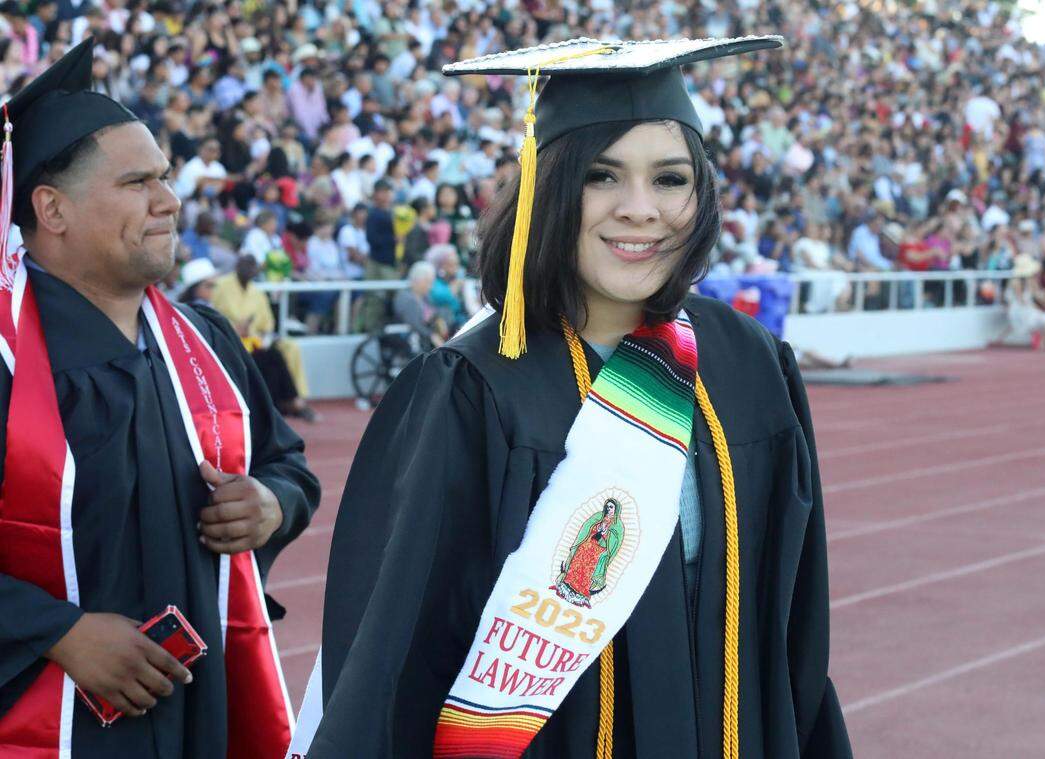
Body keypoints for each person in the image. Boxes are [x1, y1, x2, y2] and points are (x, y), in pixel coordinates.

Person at [301, 37, 850, 759]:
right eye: (601, 176)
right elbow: (394, 657)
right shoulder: (475, 386)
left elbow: (796, 633)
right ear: (550, 188)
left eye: (670, 179)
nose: (639, 209)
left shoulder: (750, 365)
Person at [0, 40, 320, 757]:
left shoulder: (203, 343)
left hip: (209, 711)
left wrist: (270, 503)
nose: (170, 200)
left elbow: (289, 466)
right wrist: (59, 632)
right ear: (51, 208)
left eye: (166, 178)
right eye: (138, 182)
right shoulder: (8, 363)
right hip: (55, 725)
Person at [213, 255, 318, 421]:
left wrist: (263, 335)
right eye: (245, 266)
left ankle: (296, 399)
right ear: (237, 267)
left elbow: (268, 323)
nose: (248, 271)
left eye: (252, 267)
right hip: (231, 340)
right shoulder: (221, 286)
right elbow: (214, 316)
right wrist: (235, 328)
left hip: (256, 339)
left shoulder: (257, 292)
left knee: (289, 347)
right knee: (272, 357)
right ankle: (290, 404)